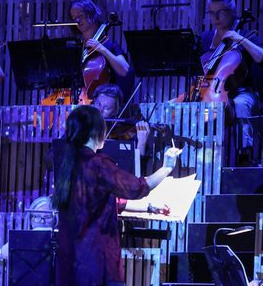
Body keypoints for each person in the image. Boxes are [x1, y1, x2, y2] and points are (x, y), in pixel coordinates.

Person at [54, 105, 181, 286]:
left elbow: (107, 201)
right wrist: (166, 168)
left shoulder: (67, 163)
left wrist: (151, 207)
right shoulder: (98, 164)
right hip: (95, 261)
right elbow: (136, 187)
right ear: (96, 132)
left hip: (71, 262)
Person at [196, 0, 263, 154]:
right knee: (191, 107)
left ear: (231, 12)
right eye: (211, 13)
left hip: (241, 92)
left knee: (240, 105)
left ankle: (244, 155)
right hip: (210, 92)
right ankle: (200, 154)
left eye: (220, 12)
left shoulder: (243, 34)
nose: (215, 18)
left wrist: (240, 39)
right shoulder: (206, 38)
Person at [70, 0, 135, 96]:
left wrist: (102, 49)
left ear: (92, 14)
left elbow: (124, 71)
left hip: (103, 101)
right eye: (74, 18)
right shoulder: (78, 47)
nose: (77, 20)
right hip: (80, 100)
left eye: (80, 15)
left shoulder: (109, 45)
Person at [0, 195, 56, 260]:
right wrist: (33, 234)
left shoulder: (61, 240)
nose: (42, 221)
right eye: (37, 216)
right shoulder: (24, 238)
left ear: (55, 219)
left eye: (47, 217)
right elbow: (4, 252)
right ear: (30, 219)